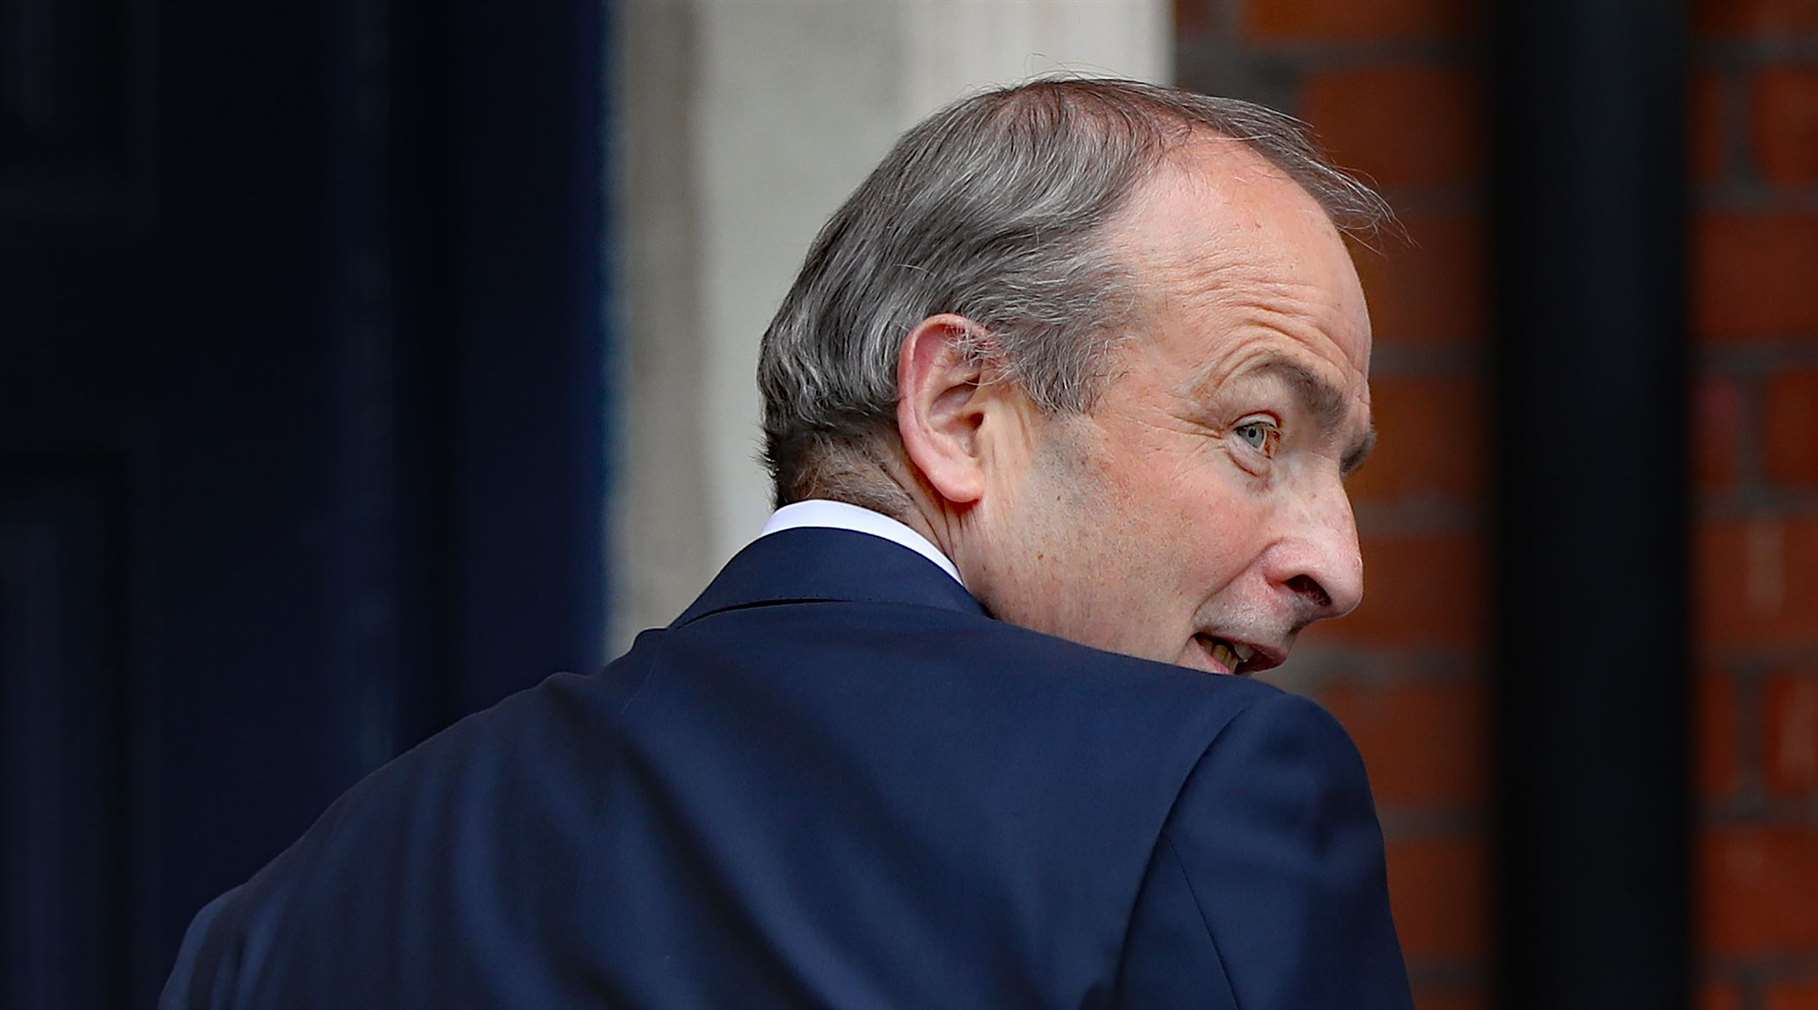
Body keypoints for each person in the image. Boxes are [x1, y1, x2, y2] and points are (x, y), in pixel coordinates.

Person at [162, 78, 1411, 1009]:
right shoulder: (1207, 793)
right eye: (1257, 429)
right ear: (961, 410)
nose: (1335, 564)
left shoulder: (286, 915)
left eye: (1339, 470)